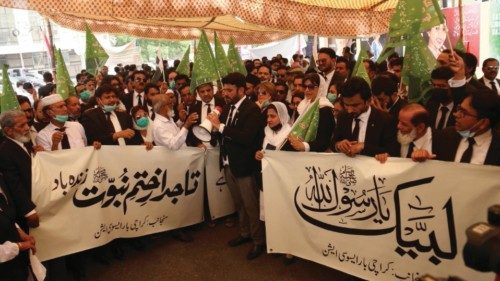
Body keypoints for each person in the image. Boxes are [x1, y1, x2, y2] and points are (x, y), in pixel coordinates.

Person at [206, 72, 265, 260]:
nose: (226, 93)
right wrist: (213, 130)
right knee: (238, 203)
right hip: (228, 162)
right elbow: (224, 135)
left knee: (251, 205)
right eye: (224, 89)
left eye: (230, 90)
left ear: (242, 90)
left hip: (245, 166)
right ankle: (244, 233)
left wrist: (220, 127)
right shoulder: (229, 107)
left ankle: (258, 242)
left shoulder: (252, 109)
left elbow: (246, 138)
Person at [254, 102, 295, 265]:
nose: (269, 119)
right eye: (267, 116)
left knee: (285, 216)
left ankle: (290, 250)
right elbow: (262, 151)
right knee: (272, 215)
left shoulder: (289, 135)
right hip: (267, 180)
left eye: (273, 116)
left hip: (283, 183)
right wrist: (258, 154)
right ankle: (276, 245)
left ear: (282, 116)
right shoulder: (265, 132)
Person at [414, 89, 500, 165]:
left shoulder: (496, 146)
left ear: (483, 123)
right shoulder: (446, 135)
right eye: (459, 108)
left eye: (464, 113)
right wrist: (423, 157)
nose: (456, 114)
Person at [333, 76, 398, 157]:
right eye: (346, 105)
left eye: (355, 105)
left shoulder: (385, 119)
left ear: (368, 101)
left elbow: (393, 151)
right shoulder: (343, 116)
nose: (349, 110)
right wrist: (339, 145)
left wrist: (364, 147)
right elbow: (334, 143)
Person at [0, 110, 40, 233]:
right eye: (21, 125)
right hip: (27, 211)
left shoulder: (24, 142)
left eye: (27, 123)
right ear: (8, 131)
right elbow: (14, 185)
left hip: (39, 200)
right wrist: (29, 212)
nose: (27, 128)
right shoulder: (5, 151)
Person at [0, 174, 36, 281]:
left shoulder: (2, 179)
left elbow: (6, 215)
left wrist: (20, 232)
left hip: (17, 265)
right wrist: (20, 246)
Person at [286, 73, 334, 153]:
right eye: (305, 87)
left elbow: (324, 141)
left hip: (316, 156)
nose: (307, 90)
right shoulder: (303, 105)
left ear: (321, 87)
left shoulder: (324, 108)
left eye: (311, 87)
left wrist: (304, 146)